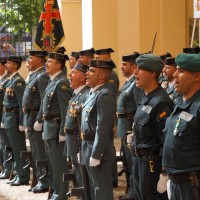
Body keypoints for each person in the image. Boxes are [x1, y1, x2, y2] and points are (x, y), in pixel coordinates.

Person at [129, 54, 173, 200]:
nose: (135, 72)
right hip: (139, 160)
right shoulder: (146, 96)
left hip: (151, 164)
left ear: (152, 73)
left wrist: (165, 173)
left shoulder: (160, 101)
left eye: (140, 69)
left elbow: (166, 140)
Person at [162, 53, 200, 200]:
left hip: (192, 185)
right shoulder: (180, 102)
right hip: (175, 182)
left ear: (196, 76)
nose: (175, 75)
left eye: (181, 71)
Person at [81, 59, 116, 200]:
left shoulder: (104, 96)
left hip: (99, 150)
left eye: (91, 71)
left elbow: (102, 129)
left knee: (101, 191)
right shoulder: (92, 93)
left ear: (101, 76)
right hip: (88, 146)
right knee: (92, 189)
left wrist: (96, 154)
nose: (87, 73)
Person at [43, 52, 73, 200]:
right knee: (52, 164)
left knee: (59, 165)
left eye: (50, 62)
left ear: (58, 65)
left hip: (56, 129)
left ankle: (61, 194)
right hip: (49, 128)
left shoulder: (61, 83)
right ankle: (55, 191)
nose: (46, 64)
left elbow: (65, 110)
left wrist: (63, 132)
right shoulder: (52, 81)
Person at [22, 50, 49, 193]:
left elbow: (45, 99)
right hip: (30, 117)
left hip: (35, 117)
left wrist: (40, 119)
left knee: (40, 151)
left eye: (30, 58)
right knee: (35, 150)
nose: (28, 60)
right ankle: (39, 179)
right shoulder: (34, 75)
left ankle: (44, 181)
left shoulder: (42, 76)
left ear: (39, 60)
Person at [117, 53, 142, 200]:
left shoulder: (136, 84)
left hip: (129, 126)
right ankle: (130, 189)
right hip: (123, 126)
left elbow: (139, 107)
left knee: (132, 162)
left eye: (125, 64)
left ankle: (134, 192)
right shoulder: (128, 82)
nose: (121, 67)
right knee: (126, 161)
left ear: (133, 67)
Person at [2, 56, 30, 186]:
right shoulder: (9, 81)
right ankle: (18, 173)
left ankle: (23, 175)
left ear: (15, 65)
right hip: (8, 118)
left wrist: (21, 123)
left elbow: (21, 103)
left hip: (14, 119)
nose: (6, 65)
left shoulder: (18, 81)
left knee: (19, 149)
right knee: (13, 148)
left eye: (8, 63)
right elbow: (4, 103)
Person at [64, 63, 90, 189]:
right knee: (77, 169)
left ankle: (85, 195)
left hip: (79, 141)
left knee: (83, 171)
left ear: (82, 77)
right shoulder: (76, 94)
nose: (70, 75)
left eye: (73, 72)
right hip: (72, 139)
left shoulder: (86, 95)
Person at [0, 57, 12, 179]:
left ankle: (8, 168)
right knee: (2, 143)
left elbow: (5, 102)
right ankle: (5, 167)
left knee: (6, 144)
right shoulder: (2, 80)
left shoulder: (6, 81)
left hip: (5, 116)